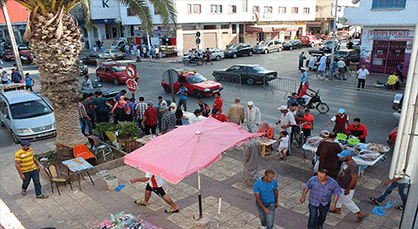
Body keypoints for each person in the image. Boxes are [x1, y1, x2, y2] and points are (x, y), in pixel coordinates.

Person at [331, 150, 367, 222]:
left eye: (343, 157)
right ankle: (337, 208)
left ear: (349, 157)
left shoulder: (353, 166)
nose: (341, 158)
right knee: (338, 197)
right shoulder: (345, 162)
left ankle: (359, 213)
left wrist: (348, 189)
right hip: (340, 185)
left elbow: (354, 179)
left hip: (346, 187)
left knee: (347, 201)